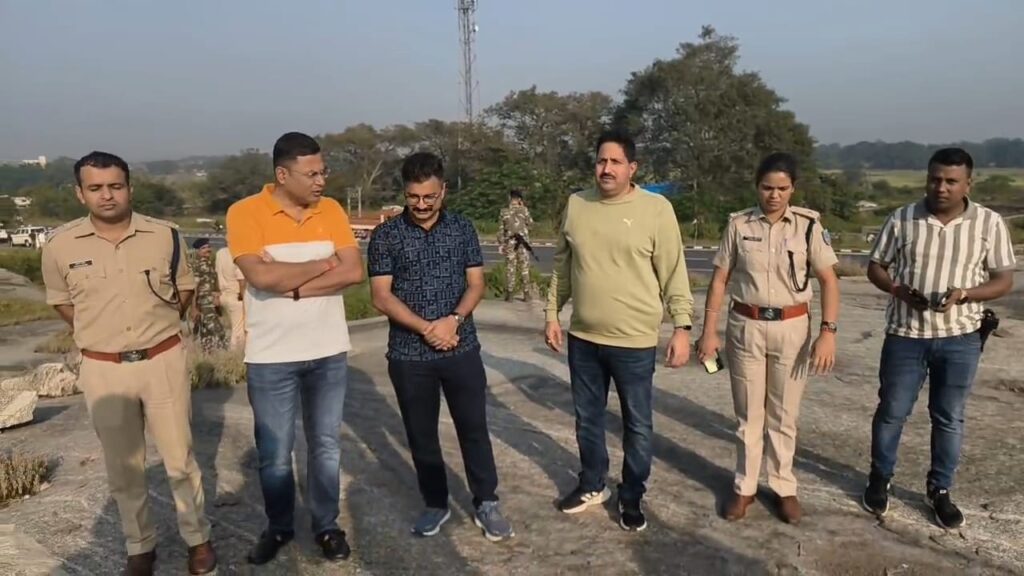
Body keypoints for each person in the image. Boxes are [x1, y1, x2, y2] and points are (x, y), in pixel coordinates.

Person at [40, 151, 217, 576]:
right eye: (96, 188)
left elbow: (184, 289)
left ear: (129, 188)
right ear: (80, 194)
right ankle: (140, 546)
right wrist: (100, 333)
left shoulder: (165, 235)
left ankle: (198, 539)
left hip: (162, 360)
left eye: (115, 186)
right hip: (103, 368)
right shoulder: (60, 246)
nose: (107, 195)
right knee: (124, 467)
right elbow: (62, 302)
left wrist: (156, 327)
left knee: (180, 459)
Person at [544, 129, 694, 532]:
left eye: (615, 162)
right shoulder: (577, 204)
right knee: (587, 420)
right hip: (584, 339)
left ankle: (631, 495)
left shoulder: (656, 210)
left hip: (634, 343)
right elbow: (562, 266)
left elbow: (674, 272)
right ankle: (592, 484)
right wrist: (552, 314)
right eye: (600, 161)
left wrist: (682, 327)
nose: (606, 169)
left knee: (638, 426)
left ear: (632, 168)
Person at [225, 132, 364, 564]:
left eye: (323, 172)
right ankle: (279, 527)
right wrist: (324, 264)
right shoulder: (245, 212)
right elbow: (260, 278)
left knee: (325, 446)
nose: (321, 181)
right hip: (271, 358)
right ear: (282, 175)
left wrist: (294, 285)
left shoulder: (332, 209)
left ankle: (327, 526)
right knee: (275, 455)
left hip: (328, 351)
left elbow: (353, 271)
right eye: (312, 174)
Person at [861, 147, 1016, 529]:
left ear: (968, 184)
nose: (941, 187)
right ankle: (880, 479)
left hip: (961, 339)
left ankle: (940, 490)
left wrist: (965, 294)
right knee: (892, 412)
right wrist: (896, 289)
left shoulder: (989, 223)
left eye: (951, 181)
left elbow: (1003, 280)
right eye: (935, 179)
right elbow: (876, 267)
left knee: (948, 417)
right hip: (905, 336)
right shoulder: (902, 218)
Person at [367, 151, 515, 542]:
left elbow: (476, 284)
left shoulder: (462, 229)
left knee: (474, 428)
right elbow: (381, 296)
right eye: (413, 196)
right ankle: (435, 503)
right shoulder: (386, 236)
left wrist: (454, 321)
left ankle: (486, 501)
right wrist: (426, 329)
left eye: (429, 197)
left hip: (461, 347)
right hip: (409, 355)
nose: (420, 204)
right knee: (421, 434)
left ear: (443, 190)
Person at [695, 152, 840, 525]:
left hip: (793, 328)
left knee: (784, 414)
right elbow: (720, 280)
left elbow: (828, 280)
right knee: (748, 415)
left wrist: (828, 332)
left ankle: (783, 487)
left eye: (782, 188)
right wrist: (708, 332)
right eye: (766, 187)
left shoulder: (808, 226)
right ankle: (744, 487)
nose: (774, 195)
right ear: (756, 186)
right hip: (747, 327)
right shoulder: (739, 225)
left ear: (793, 189)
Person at [497, 189, 538, 302]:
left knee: (510, 268)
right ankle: (526, 293)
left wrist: (501, 243)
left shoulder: (504, 212)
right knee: (524, 268)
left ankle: (510, 294)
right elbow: (531, 224)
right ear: (519, 199)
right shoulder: (524, 210)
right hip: (523, 243)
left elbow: (501, 230)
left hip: (510, 242)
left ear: (509, 198)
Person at [188, 238, 227, 353]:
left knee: (206, 334)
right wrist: (194, 308)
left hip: (211, 303)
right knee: (219, 330)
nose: (208, 250)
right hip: (203, 304)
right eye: (204, 248)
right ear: (198, 251)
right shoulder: (197, 265)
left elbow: (212, 284)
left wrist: (216, 296)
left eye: (208, 247)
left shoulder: (209, 264)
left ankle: (208, 356)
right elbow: (194, 288)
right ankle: (225, 354)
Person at [215, 245, 246, 350]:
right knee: (239, 330)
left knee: (233, 326)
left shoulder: (220, 253)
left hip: (223, 294)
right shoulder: (238, 253)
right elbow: (241, 280)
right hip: (236, 295)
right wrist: (244, 298)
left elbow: (217, 273)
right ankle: (235, 352)